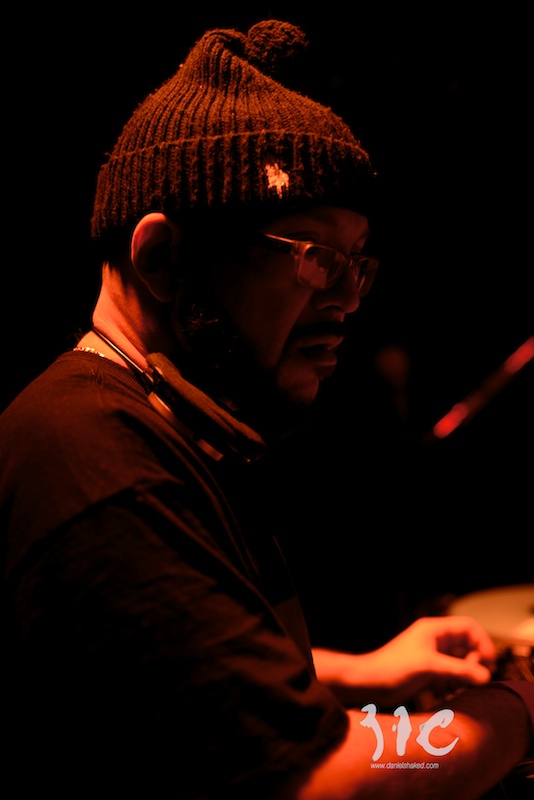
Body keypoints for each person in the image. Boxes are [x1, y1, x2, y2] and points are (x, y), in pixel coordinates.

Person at [1, 18, 532, 800]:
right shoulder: (93, 459)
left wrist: (358, 672)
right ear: (165, 259)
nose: (348, 300)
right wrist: (518, 709)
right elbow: (321, 781)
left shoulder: (162, 422)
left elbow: (171, 680)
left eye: (357, 264)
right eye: (314, 258)